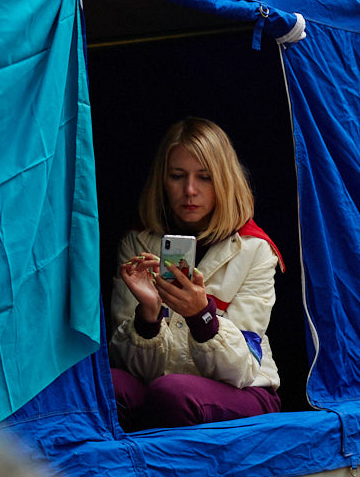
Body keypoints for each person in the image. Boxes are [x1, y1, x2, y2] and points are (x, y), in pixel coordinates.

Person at [108, 118, 282, 431]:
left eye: (204, 177)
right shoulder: (137, 242)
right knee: (105, 387)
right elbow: (127, 365)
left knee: (173, 393)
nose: (190, 190)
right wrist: (147, 319)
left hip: (244, 389)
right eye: (177, 176)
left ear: (225, 182)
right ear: (162, 181)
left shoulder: (255, 249)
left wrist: (202, 316)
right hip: (162, 386)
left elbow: (241, 369)